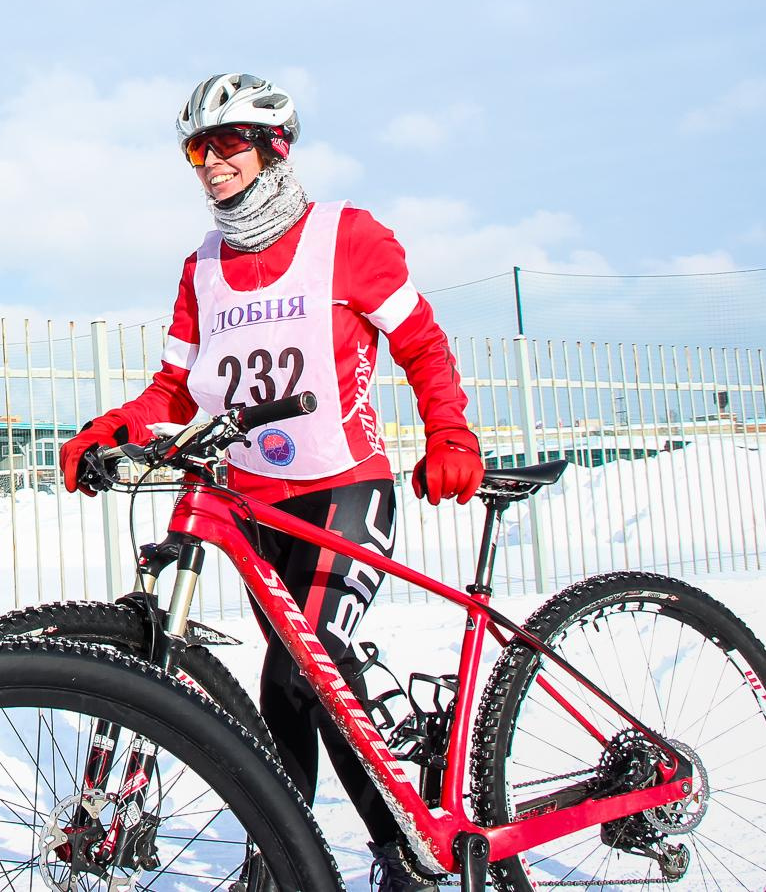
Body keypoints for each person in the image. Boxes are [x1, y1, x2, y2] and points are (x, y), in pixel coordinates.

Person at [57, 72, 482, 892]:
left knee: (307, 665)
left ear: (273, 146)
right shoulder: (202, 267)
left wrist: (450, 430)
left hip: (345, 488)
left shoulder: (347, 238)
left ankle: (398, 854)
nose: (210, 163)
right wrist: (116, 427)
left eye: (226, 143)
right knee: (286, 683)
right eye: (196, 149)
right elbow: (173, 392)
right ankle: (281, 859)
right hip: (253, 504)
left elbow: (422, 345)